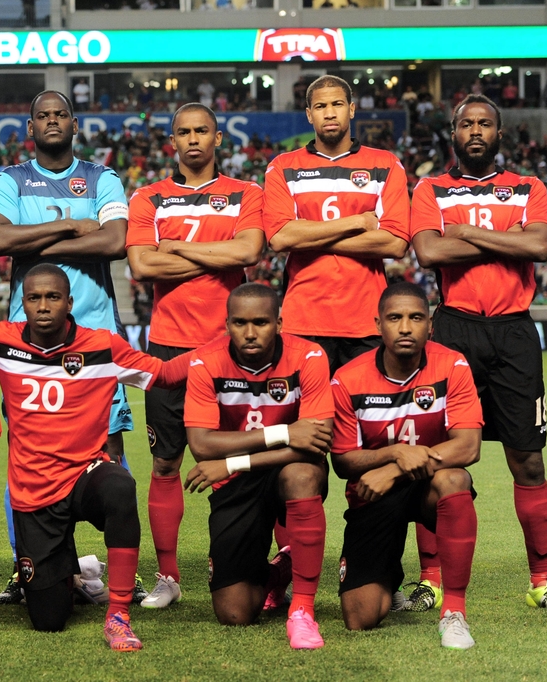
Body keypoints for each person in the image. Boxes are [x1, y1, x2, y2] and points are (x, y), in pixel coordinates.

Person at [410, 94, 547, 613]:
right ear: (454, 132)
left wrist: (465, 232)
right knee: (435, 459)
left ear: (500, 134)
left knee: (528, 459)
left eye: (486, 123)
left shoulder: (528, 186)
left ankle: (542, 582)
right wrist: (504, 237)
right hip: (453, 329)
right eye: (467, 124)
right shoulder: (430, 187)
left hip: (513, 333)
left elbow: (540, 247)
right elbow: (429, 251)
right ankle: (430, 581)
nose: (477, 131)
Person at [0, 264, 188, 650]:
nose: (43, 306)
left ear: (69, 302)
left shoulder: (103, 346)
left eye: (53, 297)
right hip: (33, 490)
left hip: (84, 473)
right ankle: (79, 571)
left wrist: (219, 350)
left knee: (120, 487)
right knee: (49, 620)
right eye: (34, 298)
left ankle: (118, 615)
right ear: (22, 303)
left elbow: (166, 374)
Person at [0, 90, 133, 603]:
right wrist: (70, 224)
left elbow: (115, 241)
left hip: (96, 338)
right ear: (31, 127)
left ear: (75, 123)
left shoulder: (102, 177)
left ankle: (120, 575)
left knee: (110, 451)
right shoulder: (10, 179)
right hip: (28, 342)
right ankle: (34, 568)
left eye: (60, 115)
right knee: (28, 453)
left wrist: (35, 240)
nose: (52, 121)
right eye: (42, 115)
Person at [126, 102, 264, 607]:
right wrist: (214, 251)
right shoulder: (148, 196)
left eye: (201, 130)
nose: (192, 139)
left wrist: (177, 249)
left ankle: (225, 560)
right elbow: (142, 265)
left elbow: (247, 253)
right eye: (182, 131)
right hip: (168, 349)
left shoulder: (246, 193)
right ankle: (168, 577)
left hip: (232, 350)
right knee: (165, 464)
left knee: (234, 461)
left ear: (218, 137)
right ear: (172, 140)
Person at [182, 283, 334, 649]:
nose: (250, 333)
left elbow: (316, 443)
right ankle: (279, 569)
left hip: (284, 471)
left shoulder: (309, 357)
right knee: (235, 613)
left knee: (303, 474)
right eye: (240, 323)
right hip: (236, 483)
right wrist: (284, 431)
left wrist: (232, 460)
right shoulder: (205, 362)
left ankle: (302, 610)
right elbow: (202, 443)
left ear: (279, 322)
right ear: (226, 324)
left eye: (261, 323)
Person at [331, 282, 482, 649]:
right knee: (360, 618)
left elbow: (469, 446)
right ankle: (388, 574)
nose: (404, 327)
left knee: (455, 481)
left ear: (430, 326)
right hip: (373, 495)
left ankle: (454, 614)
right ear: (378, 324)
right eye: (394, 318)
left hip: (425, 484)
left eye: (416, 318)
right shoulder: (347, 379)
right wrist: (395, 452)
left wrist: (397, 468)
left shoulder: (452, 365)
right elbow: (342, 461)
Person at [264, 75, 410, 375]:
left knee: (364, 420)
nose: (329, 113)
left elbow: (395, 243)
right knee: (308, 420)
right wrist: (357, 222)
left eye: (337, 104)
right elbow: (279, 238)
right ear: (309, 114)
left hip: (365, 321)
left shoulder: (385, 165)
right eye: (320, 106)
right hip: (303, 320)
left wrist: (307, 235)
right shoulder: (283, 166)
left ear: (352, 109)